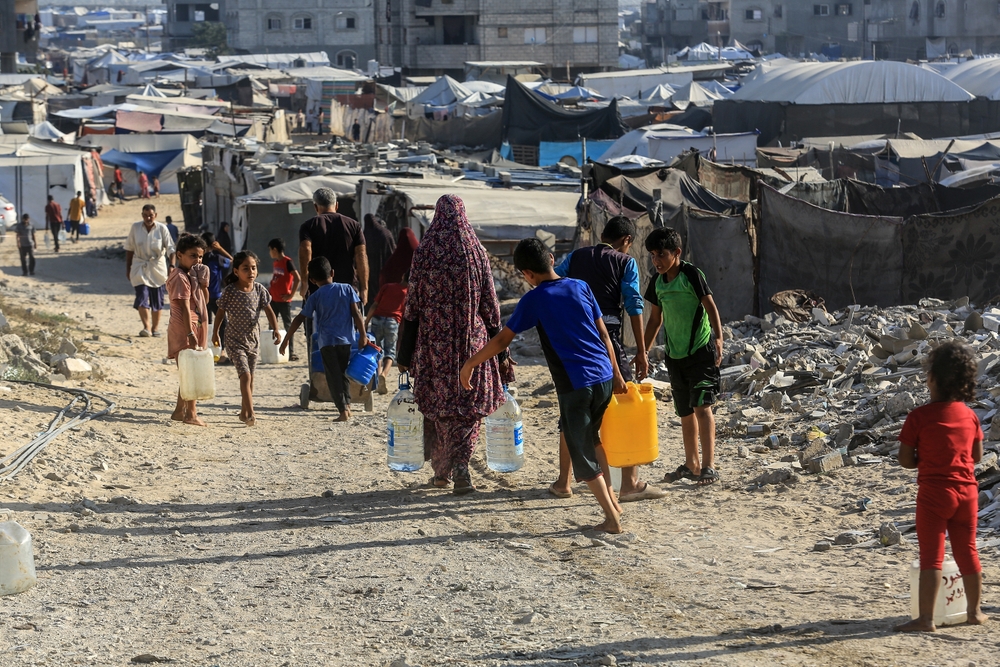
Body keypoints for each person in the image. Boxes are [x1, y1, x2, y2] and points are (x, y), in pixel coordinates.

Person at [461, 238, 628, 532]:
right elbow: (604, 334)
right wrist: (617, 374)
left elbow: (502, 340)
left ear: (527, 274)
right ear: (551, 258)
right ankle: (613, 503)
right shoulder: (580, 286)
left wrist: (471, 363)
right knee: (593, 438)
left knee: (582, 453)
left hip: (575, 384)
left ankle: (611, 519)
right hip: (603, 376)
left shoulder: (535, 299)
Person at [397, 195, 512, 494]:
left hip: (433, 344)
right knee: (468, 408)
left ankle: (442, 473)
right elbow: (490, 305)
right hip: (472, 344)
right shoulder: (476, 251)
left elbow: (412, 307)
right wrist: (502, 350)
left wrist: (405, 352)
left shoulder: (424, 252)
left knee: (440, 409)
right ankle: (459, 467)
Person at [549, 216, 663, 502]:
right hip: (606, 338)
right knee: (625, 399)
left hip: (575, 342)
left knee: (572, 408)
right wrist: (641, 350)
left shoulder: (576, 256)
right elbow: (634, 304)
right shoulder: (625, 262)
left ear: (603, 235)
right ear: (627, 240)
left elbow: (554, 279)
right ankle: (630, 484)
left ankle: (563, 482)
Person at [895, 341, 988, 632]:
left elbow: (905, 460)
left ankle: (926, 619)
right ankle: (975, 612)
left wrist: (925, 459)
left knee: (931, 557)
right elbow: (977, 456)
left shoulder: (918, 417)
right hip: (968, 493)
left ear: (932, 379)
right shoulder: (969, 415)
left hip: (935, 494)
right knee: (968, 552)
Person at [642, 227, 723, 486]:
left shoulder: (691, 274)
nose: (656, 260)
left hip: (700, 351)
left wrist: (719, 338)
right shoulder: (657, 282)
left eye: (661, 254)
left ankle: (709, 466)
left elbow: (710, 306)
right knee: (685, 411)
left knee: (702, 407)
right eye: (652, 255)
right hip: (674, 356)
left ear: (676, 252)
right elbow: (655, 320)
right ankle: (692, 464)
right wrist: (643, 351)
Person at [281, 257, 367, 421]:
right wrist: (362, 335)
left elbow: (299, 318)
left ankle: (342, 410)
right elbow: (357, 314)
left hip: (327, 343)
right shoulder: (347, 289)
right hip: (346, 341)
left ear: (312, 280)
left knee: (333, 376)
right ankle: (347, 406)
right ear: (332, 272)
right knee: (342, 373)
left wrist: (286, 340)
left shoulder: (315, 296)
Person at [212, 251, 281, 427]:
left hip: (253, 341)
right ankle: (251, 413)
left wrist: (275, 329)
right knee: (245, 376)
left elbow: (269, 311)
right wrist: (215, 333)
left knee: (251, 378)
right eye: (246, 268)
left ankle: (244, 412)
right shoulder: (230, 291)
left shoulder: (259, 290)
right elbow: (220, 313)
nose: (251, 272)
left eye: (253, 268)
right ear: (236, 271)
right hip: (234, 341)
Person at [166, 234, 210, 427]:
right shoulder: (180, 277)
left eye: (200, 257)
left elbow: (204, 300)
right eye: (193, 256)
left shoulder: (192, 276)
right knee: (191, 372)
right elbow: (184, 307)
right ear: (179, 255)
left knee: (188, 370)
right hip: (185, 328)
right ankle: (191, 414)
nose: (197, 261)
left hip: (193, 326)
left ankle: (179, 411)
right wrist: (190, 334)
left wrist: (202, 283)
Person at [297, 188, 368, 304]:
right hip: (347, 290)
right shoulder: (354, 225)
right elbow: (361, 255)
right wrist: (364, 288)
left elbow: (306, 249)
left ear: (315, 207)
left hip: (317, 289)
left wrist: (304, 282)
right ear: (336, 205)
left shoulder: (309, 225)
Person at [125, 204, 175, 338]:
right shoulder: (135, 228)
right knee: (141, 296)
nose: (148, 218)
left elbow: (171, 248)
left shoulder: (162, 228)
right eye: (146, 215)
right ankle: (146, 327)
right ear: (142, 215)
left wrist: (172, 265)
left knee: (157, 299)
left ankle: (155, 328)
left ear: (155, 215)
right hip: (139, 266)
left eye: (151, 215)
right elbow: (129, 249)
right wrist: (128, 268)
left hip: (157, 268)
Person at [364, 271, 407, 394]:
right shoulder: (408, 292)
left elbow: (374, 305)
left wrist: (366, 322)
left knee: (376, 349)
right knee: (390, 352)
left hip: (377, 319)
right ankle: (383, 374)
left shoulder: (387, 287)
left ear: (403, 276)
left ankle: (377, 378)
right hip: (393, 322)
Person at [267, 238, 301, 361]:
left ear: (275, 249)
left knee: (288, 326)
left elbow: (297, 278)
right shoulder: (275, 263)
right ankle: (272, 351)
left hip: (284, 301)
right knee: (272, 325)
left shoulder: (288, 262)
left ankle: (291, 352)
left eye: (270, 250)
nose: (270, 253)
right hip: (273, 300)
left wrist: (291, 295)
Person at [201, 232, 232, 357]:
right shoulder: (210, 258)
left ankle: (215, 349)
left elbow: (233, 262)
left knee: (214, 324)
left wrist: (219, 249)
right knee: (214, 324)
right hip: (210, 297)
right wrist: (220, 249)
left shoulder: (210, 258)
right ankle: (217, 350)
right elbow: (232, 261)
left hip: (210, 297)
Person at [363, 214, 395, 309]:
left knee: (372, 292)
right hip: (386, 269)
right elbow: (393, 251)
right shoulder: (386, 233)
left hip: (370, 270)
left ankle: (372, 310)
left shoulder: (365, 235)